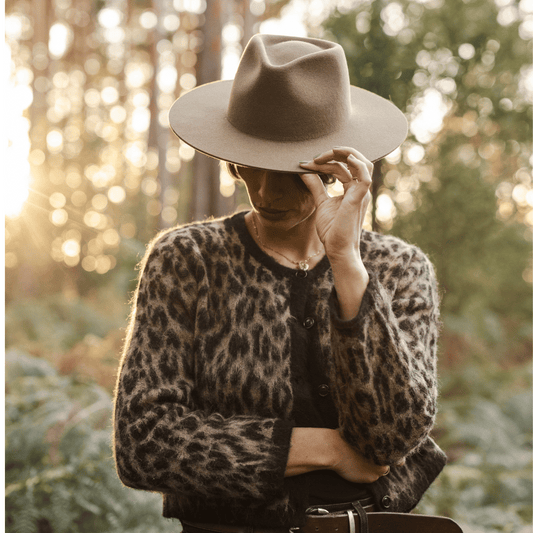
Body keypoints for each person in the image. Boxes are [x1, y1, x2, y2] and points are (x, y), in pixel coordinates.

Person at [113, 34, 454, 533]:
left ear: (335, 168)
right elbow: (143, 441)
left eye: (292, 171)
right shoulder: (188, 260)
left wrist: (347, 266)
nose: (266, 191)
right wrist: (325, 449)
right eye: (247, 163)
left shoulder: (401, 269)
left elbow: (392, 439)